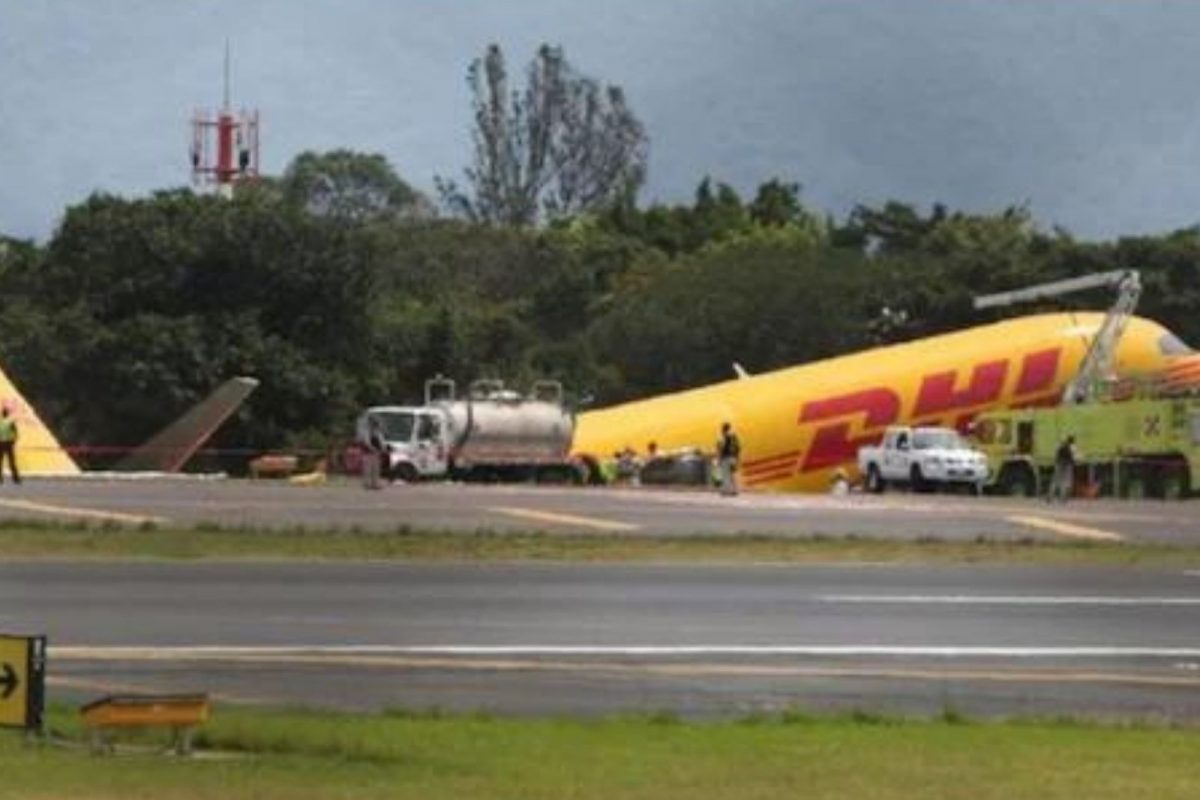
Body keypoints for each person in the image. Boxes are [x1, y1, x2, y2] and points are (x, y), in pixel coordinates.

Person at [1049, 434, 1077, 502]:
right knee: (1065, 481)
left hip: (1059, 464)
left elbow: (1056, 454)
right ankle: (1062, 497)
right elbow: (1074, 457)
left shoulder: (1060, 445)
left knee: (1055, 480)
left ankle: (1050, 496)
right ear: (1072, 441)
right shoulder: (1072, 447)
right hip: (1067, 465)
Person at [716, 421, 741, 496]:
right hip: (733, 458)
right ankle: (735, 490)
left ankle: (726, 491)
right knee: (733, 474)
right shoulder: (734, 436)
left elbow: (720, 448)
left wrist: (719, 458)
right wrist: (737, 457)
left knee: (725, 474)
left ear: (723, 429)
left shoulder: (723, 437)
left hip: (725, 458)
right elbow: (738, 447)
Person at [361, 416, 385, 490]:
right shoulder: (368, 431)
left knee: (376, 469)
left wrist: (382, 449)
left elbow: (381, 441)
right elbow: (367, 442)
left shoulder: (377, 432)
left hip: (376, 452)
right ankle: (367, 484)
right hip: (368, 452)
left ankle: (375, 483)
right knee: (368, 469)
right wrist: (373, 449)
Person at [0, 406, 18, 485]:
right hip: (8, 444)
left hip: (0, 443)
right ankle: (15, 478)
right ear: (7, 414)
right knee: (12, 462)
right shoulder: (11, 422)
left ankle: (0, 479)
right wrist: (13, 441)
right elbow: (15, 433)